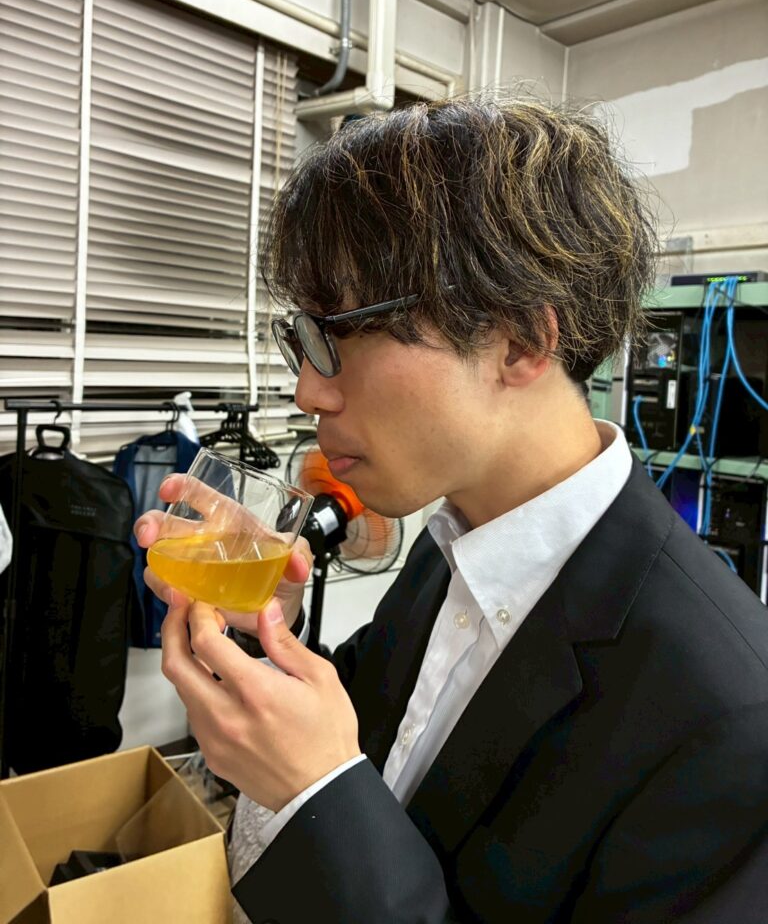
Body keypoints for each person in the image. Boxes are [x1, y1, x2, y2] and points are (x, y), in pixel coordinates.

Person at [135, 97, 768, 923]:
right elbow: (376, 741)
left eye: (338, 335)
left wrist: (315, 799)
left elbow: (339, 789)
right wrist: (267, 631)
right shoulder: (454, 539)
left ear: (520, 342)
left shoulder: (731, 725)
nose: (307, 390)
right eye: (302, 339)